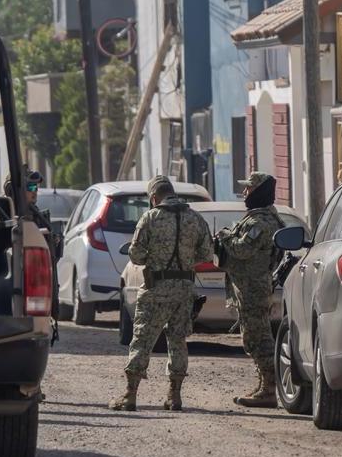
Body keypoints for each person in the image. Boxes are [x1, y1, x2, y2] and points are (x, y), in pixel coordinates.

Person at [109, 175, 213, 412]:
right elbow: (207, 254)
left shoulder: (150, 217)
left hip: (156, 289)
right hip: (184, 289)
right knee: (178, 340)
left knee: (143, 339)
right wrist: (186, 262)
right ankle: (174, 396)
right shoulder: (195, 218)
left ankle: (130, 395)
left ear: (154, 198)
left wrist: (153, 258)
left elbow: (135, 255)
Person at [217, 172, 286, 408]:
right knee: (252, 336)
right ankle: (263, 386)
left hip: (254, 288)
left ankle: (269, 390)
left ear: (258, 192)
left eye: (249, 189)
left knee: (259, 338)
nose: (245, 193)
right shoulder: (259, 218)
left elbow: (242, 249)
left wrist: (225, 236)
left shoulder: (261, 222)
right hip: (249, 286)